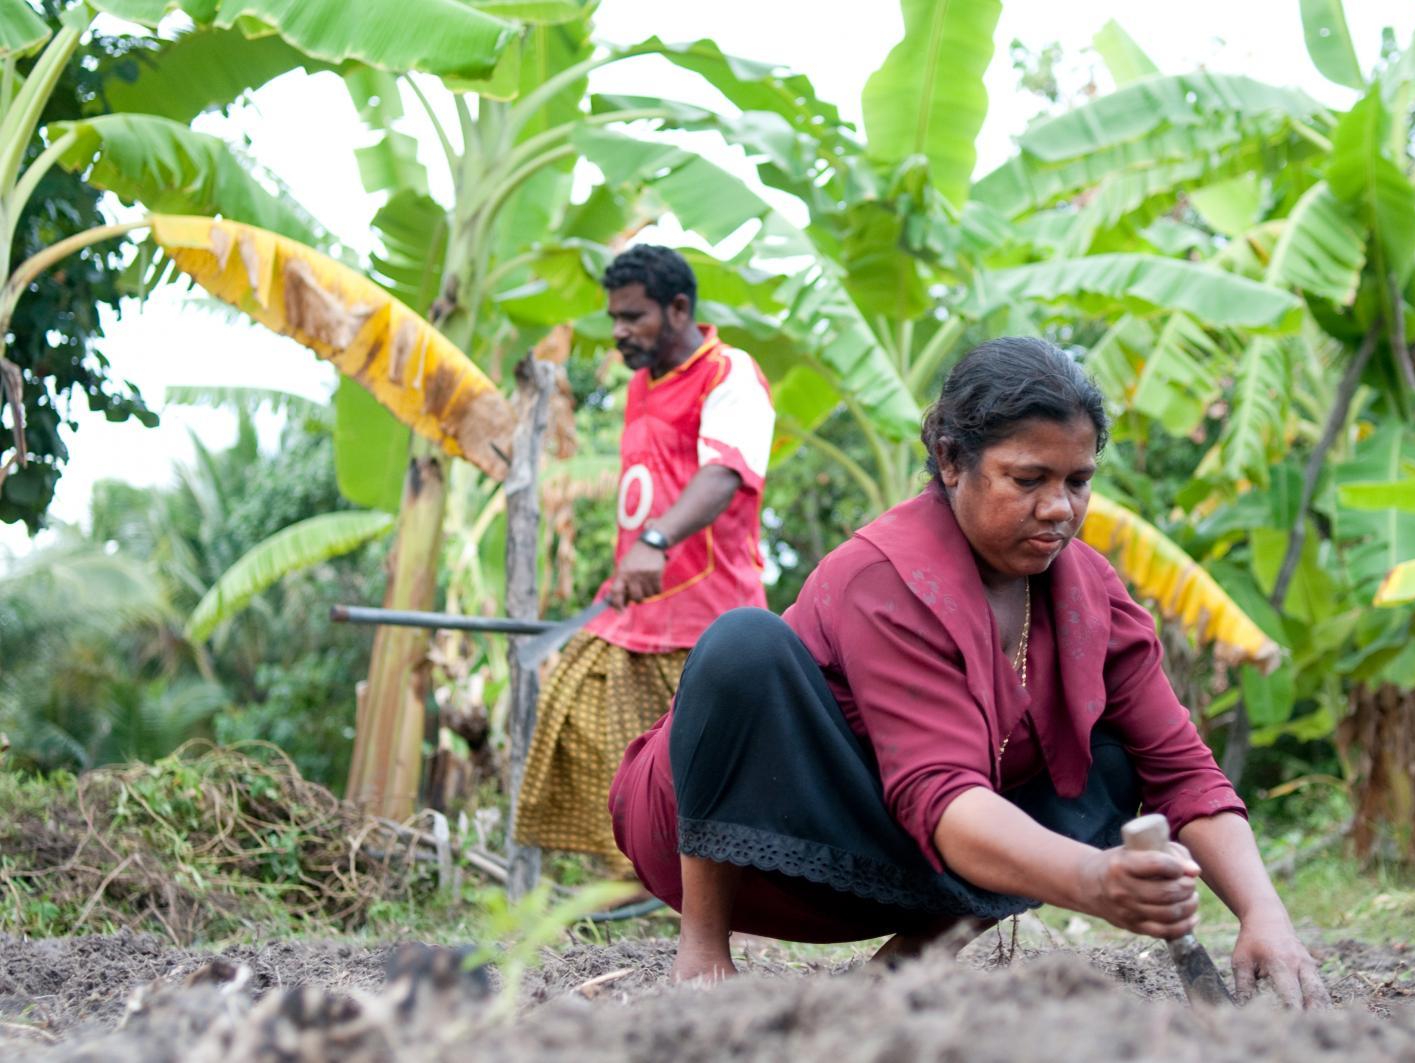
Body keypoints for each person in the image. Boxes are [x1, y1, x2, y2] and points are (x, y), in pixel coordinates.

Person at [609, 337, 1330, 1006]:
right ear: (952, 461)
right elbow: (943, 796)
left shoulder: (1089, 592)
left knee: (1104, 764)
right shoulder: (885, 576)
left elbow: (1182, 769)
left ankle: (910, 960)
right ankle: (703, 946)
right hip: (751, 823)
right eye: (1028, 479)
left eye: (1079, 481)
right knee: (742, 642)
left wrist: (1264, 913)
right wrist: (1093, 879)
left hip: (897, 843)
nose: (1059, 509)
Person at [513, 245, 775, 876]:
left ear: (678, 308)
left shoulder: (728, 373)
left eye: (633, 317)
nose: (620, 332)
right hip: (634, 611)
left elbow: (723, 475)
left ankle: (714, 890)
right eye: (615, 319)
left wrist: (655, 542)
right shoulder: (638, 384)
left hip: (708, 616)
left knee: (706, 772)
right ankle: (636, 876)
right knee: (577, 716)